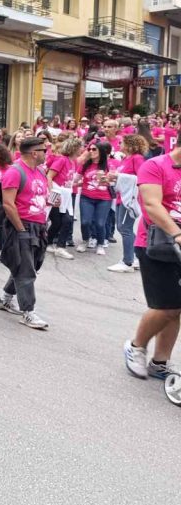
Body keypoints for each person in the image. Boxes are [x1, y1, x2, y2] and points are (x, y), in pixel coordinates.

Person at [122, 145, 181, 382]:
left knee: (177, 307)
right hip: (157, 243)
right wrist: (177, 234)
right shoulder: (155, 166)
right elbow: (152, 205)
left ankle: (160, 362)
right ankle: (136, 346)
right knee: (166, 306)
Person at [0, 137, 52, 330]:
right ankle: (28, 312)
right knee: (26, 269)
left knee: (28, 266)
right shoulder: (15, 172)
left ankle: (5, 298)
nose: (47, 153)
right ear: (34, 153)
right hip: (22, 225)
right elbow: (8, 204)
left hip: (39, 226)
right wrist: (20, 230)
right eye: (44, 150)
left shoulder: (40, 172)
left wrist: (52, 202)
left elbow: (39, 197)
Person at [106, 134, 148, 273]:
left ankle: (127, 261)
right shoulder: (126, 158)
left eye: (122, 142)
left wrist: (118, 176)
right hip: (122, 196)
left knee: (125, 228)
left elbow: (142, 177)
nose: (120, 145)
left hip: (130, 198)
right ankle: (136, 256)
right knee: (124, 228)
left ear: (131, 145)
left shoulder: (137, 158)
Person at [46, 136, 82, 260]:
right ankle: (49, 242)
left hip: (66, 194)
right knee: (57, 221)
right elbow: (49, 176)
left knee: (67, 220)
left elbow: (68, 179)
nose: (82, 149)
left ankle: (60, 246)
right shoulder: (62, 160)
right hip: (57, 193)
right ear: (74, 148)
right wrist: (52, 194)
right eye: (80, 147)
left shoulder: (74, 162)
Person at [77, 142, 113, 255]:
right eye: (90, 149)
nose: (91, 151)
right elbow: (76, 178)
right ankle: (85, 240)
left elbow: (114, 182)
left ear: (101, 152)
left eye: (94, 149)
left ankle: (100, 244)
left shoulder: (109, 165)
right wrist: (74, 183)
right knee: (85, 222)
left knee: (100, 223)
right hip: (86, 197)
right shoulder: (85, 164)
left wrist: (106, 179)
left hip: (104, 198)